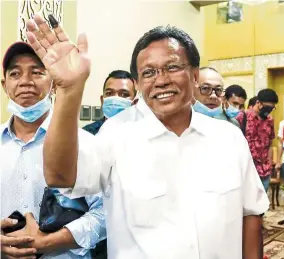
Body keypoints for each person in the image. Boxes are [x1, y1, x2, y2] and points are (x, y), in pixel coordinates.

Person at [27, 14, 268, 259]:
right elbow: (59, 175)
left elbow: (251, 213)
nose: (161, 80)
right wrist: (69, 91)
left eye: (172, 67)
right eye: (149, 72)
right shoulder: (116, 134)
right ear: (139, 84)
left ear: (195, 76)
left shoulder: (228, 138)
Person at [0, 42, 106, 259]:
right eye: (15, 73)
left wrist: (49, 242)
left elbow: (105, 213)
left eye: (37, 72)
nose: (25, 82)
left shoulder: (84, 143)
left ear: (55, 84)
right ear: (4, 85)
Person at [237, 89, 278, 193]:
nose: (269, 110)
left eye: (272, 108)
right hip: (246, 171)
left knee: (261, 206)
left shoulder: (270, 121)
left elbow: (270, 144)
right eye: (267, 107)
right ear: (258, 103)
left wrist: (269, 164)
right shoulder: (243, 117)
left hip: (264, 172)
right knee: (245, 207)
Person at [83, 70, 136, 135]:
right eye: (109, 93)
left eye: (124, 94)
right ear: (102, 101)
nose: (115, 99)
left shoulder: (143, 135)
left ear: (135, 103)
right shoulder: (87, 133)